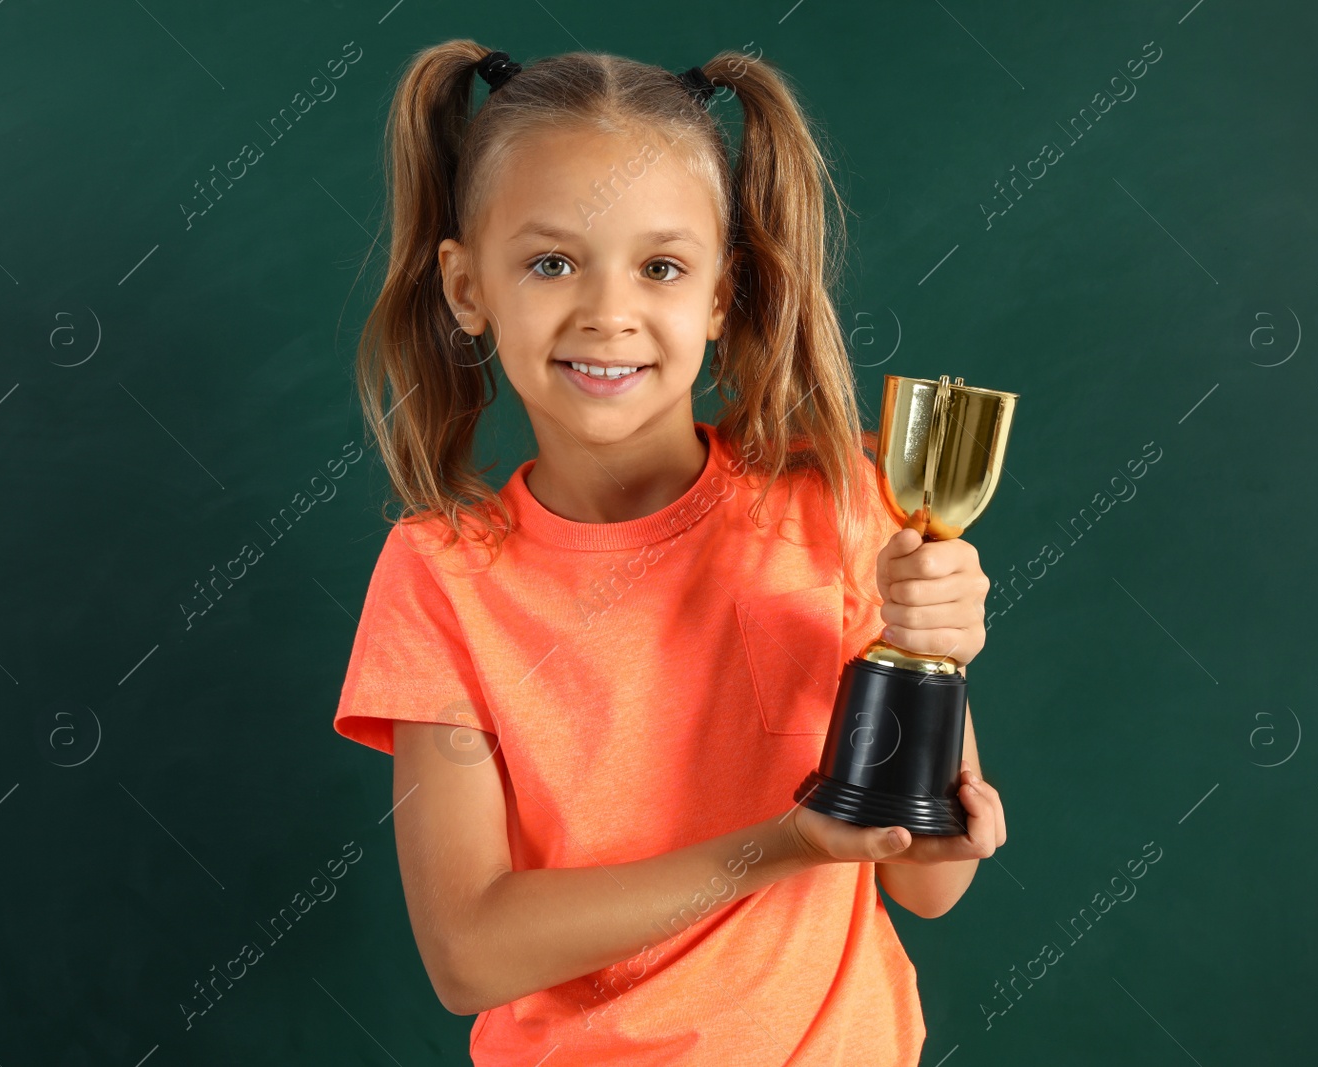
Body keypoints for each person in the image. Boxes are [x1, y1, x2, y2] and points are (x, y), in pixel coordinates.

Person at [331, 40, 1007, 1066]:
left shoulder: (841, 501)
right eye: (551, 262)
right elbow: (468, 950)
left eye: (661, 267)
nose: (610, 312)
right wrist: (781, 844)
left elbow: (929, 880)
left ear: (723, 294)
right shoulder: (441, 573)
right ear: (468, 288)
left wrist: (936, 652)